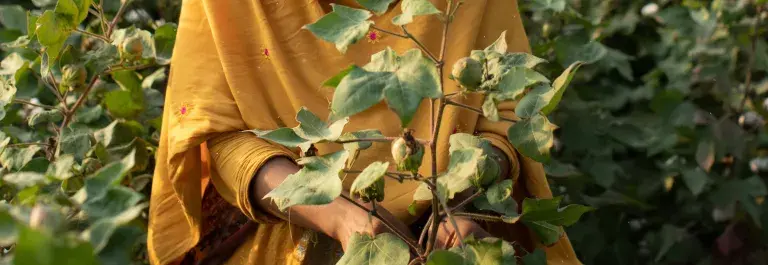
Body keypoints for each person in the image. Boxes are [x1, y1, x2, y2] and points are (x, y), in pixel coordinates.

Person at [147, 0, 582, 264]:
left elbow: (504, 115)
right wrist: (337, 216)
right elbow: (219, 134)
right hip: (291, 240)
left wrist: (464, 205)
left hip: (452, 244)